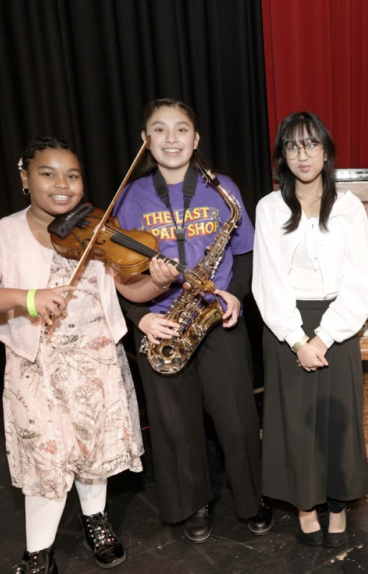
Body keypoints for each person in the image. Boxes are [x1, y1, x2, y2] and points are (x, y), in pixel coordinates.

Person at [0, 137, 178, 574]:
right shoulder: (2, 235)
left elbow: (129, 284)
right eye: (48, 173)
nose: (62, 185)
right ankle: (38, 561)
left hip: (97, 361)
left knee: (92, 453)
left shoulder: (97, 230)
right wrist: (29, 299)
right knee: (45, 466)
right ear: (24, 177)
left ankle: (95, 520)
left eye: (72, 175)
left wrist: (157, 279)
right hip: (38, 368)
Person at [114, 98, 272, 542]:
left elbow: (244, 254)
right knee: (175, 425)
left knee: (238, 418)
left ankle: (251, 499)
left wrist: (235, 295)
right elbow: (118, 274)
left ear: (196, 138)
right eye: (158, 130)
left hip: (216, 317)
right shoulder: (128, 197)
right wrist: (138, 317)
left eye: (181, 129)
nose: (170, 139)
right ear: (145, 141)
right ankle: (194, 503)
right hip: (163, 324)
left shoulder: (223, 189)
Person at [252, 112, 368, 547]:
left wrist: (324, 336)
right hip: (286, 326)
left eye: (310, 145)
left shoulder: (349, 207)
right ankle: (306, 504)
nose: (302, 154)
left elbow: (362, 280)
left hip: (338, 326)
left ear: (326, 152)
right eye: (292, 146)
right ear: (282, 157)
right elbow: (267, 280)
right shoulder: (269, 208)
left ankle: (338, 504)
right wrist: (297, 338)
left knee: (339, 423)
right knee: (296, 425)